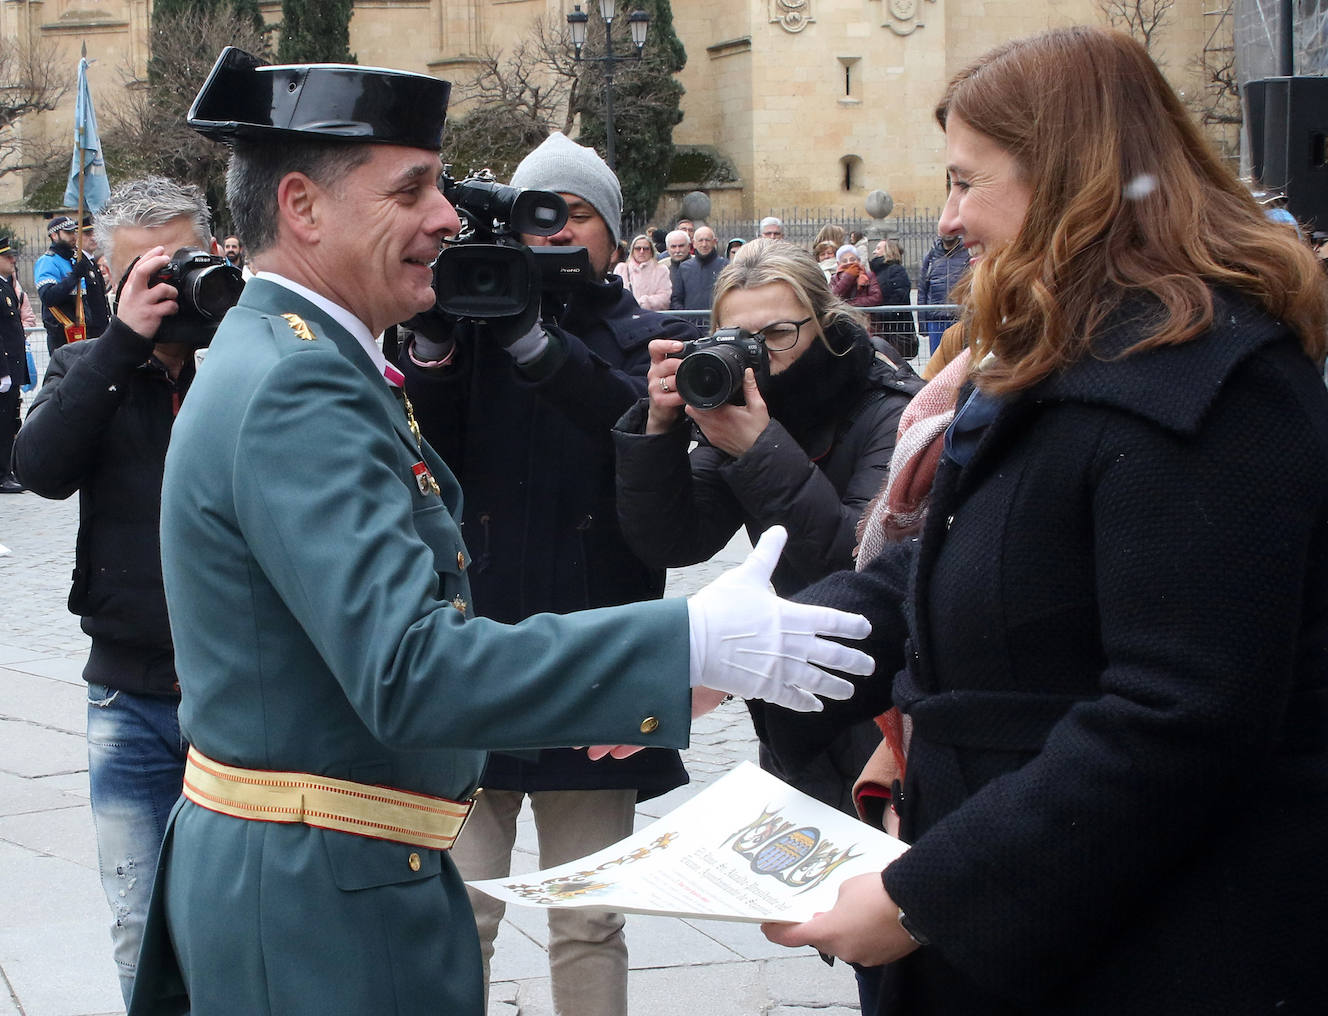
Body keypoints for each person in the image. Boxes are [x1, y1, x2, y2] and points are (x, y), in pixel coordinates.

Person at [126, 49, 870, 1016]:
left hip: (325, 873)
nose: (447, 218)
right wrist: (681, 638)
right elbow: (408, 670)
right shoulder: (300, 384)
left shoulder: (299, 357)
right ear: (304, 208)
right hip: (323, 905)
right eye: (413, 190)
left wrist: (657, 675)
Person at [757, 26, 1328, 1014]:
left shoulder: (1212, 384)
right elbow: (957, 578)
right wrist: (749, 649)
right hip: (1040, 914)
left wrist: (926, 897)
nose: (949, 220)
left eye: (967, 181)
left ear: (1067, 179)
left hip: (1176, 937)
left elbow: (1180, 717)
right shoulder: (1051, 347)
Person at [401, 131, 700, 1016]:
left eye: (578, 215)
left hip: (595, 654)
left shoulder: (646, 336)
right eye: (542, 216)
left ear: (613, 233)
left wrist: (537, 343)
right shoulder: (467, 329)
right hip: (479, 652)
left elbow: (635, 434)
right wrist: (432, 339)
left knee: (588, 917)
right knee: (465, 913)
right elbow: (424, 453)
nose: (560, 233)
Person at [614, 237, 917, 819]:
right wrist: (658, 428)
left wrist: (757, 447)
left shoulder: (888, 407)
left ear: (826, 325)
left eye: (779, 336)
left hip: (883, 704)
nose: (761, 358)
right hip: (794, 698)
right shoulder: (746, 415)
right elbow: (673, 541)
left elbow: (858, 563)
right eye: (742, 341)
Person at [12, 176, 216, 1008]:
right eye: (141, 271)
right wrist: (121, 344)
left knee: (238, 918)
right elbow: (39, 470)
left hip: (241, 696)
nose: (164, 287)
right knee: (139, 920)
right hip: (128, 697)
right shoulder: (85, 369)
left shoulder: (251, 365)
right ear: (109, 276)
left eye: (181, 263)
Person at [34, 214, 103, 353]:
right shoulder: (48, 261)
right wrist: (74, 277)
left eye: (74, 232)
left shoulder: (74, 260)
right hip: (63, 335)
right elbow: (48, 296)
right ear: (54, 235)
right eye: (68, 232)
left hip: (84, 332)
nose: (73, 236)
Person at [0, 236, 28, 494]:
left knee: (10, 420)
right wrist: (2, 371)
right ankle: (1, 475)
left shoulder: (6, 286)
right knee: (3, 421)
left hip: (12, 365)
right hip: (4, 368)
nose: (13, 260)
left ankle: (6, 470)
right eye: (7, 256)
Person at [916, 230, 969, 356]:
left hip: (960, 318)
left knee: (960, 363)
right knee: (937, 364)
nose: (948, 233)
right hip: (935, 320)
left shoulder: (967, 254)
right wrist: (923, 324)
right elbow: (922, 290)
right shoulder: (931, 256)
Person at [868, 239, 915, 357]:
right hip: (880, 326)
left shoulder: (896, 270)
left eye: (878, 248)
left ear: (888, 251)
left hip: (895, 326)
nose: (874, 252)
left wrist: (882, 312)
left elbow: (900, 296)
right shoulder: (875, 272)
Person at [671, 225, 724, 310]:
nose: (704, 244)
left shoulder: (726, 266)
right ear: (694, 244)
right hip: (690, 321)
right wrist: (685, 317)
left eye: (707, 240)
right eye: (700, 240)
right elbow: (676, 299)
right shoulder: (684, 268)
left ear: (714, 242)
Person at [614, 232, 672, 311]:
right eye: (638, 248)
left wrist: (646, 302)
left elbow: (665, 297)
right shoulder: (621, 268)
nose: (641, 251)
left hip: (651, 317)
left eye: (646, 248)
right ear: (632, 250)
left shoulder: (661, 270)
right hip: (626, 315)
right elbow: (614, 294)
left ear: (651, 251)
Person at [79, 216, 113, 340]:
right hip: (90, 329)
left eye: (95, 233)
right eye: (88, 234)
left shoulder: (92, 262)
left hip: (100, 328)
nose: (93, 237)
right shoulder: (79, 262)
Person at [830, 243, 883, 308]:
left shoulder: (869, 275)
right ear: (838, 264)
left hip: (864, 315)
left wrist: (850, 304)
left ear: (858, 261)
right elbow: (833, 297)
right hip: (842, 316)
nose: (849, 263)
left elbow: (876, 298)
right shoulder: (834, 278)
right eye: (844, 261)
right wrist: (848, 276)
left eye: (852, 259)